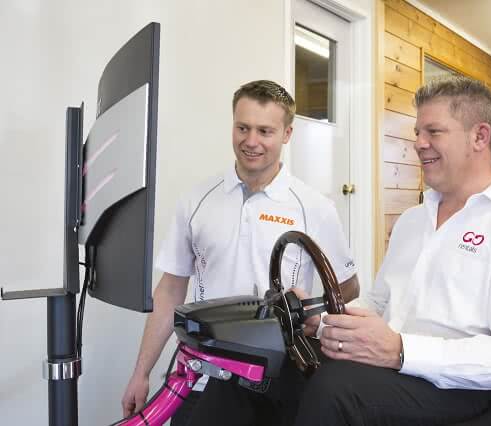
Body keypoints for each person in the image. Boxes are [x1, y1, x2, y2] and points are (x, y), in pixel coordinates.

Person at [288, 75, 491, 425]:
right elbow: (379, 304)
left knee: (335, 387)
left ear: (479, 136)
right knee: (282, 366)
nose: (418, 144)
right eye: (417, 133)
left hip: (456, 387)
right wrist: (325, 317)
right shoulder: (411, 221)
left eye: (433, 132)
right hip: (389, 369)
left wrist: (401, 351)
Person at [120, 80, 359, 424]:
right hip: (202, 374)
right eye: (242, 128)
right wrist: (141, 373)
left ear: (287, 134)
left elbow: (348, 287)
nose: (251, 141)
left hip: (277, 381)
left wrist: (306, 310)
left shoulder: (314, 207)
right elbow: (170, 290)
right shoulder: (198, 199)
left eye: (265, 131)